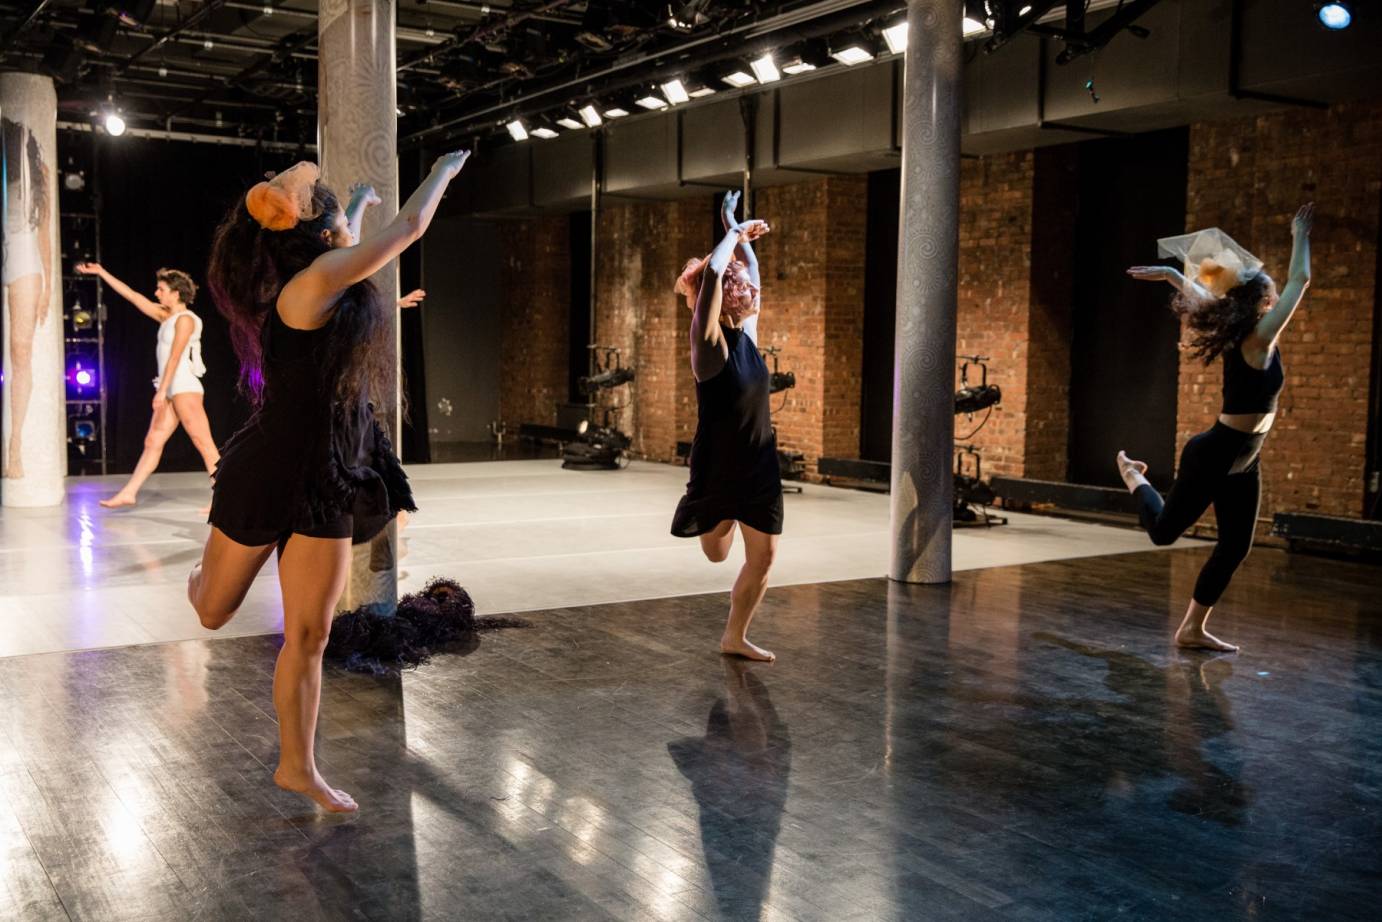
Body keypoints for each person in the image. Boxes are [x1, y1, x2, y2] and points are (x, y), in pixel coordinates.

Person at [188, 152, 470, 813]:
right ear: (319, 231)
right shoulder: (312, 282)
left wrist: (361, 204)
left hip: (327, 474)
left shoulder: (333, 284)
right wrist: (442, 174)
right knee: (212, 612)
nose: (345, 218)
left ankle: (298, 767)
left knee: (309, 635)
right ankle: (199, 581)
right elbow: (403, 233)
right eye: (335, 207)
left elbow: (364, 240)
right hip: (268, 468)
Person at [1119, 204, 1314, 652]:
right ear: (1264, 302)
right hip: (1216, 451)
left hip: (1245, 458)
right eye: (1271, 294)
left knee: (1234, 548)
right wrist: (1299, 233)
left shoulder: (1245, 331)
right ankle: (1133, 474)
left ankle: (1191, 629)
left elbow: (1204, 299)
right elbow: (1301, 281)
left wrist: (1171, 277)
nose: (1275, 297)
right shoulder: (1257, 337)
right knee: (1163, 533)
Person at [671, 190, 780, 662]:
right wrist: (732, 233)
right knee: (717, 554)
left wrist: (735, 225)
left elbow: (749, 272)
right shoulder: (708, 343)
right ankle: (723, 513)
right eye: (746, 289)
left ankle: (734, 636)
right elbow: (715, 272)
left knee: (765, 557)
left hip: (759, 463)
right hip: (718, 466)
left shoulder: (748, 337)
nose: (754, 292)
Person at [75, 264, 218, 508]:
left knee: (204, 443)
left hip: (184, 386)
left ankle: (225, 498)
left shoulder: (186, 320)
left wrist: (161, 391)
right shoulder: (167, 317)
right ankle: (129, 492)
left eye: (161, 289)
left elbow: (175, 356)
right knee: (153, 442)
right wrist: (101, 272)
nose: (156, 293)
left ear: (176, 293)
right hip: (171, 387)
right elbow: (133, 296)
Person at [2, 116, 51, 480]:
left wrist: (48, 283)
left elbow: (44, 230)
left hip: (22, 250)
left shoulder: (38, 168)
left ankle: (14, 447)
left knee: (21, 349)